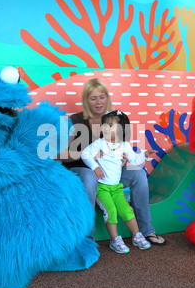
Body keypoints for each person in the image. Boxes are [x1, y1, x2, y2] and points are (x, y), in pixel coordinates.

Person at [59, 78, 166, 246]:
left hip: (109, 174)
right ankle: (86, 238)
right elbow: (58, 154)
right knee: (89, 176)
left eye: (101, 96)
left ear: (107, 98)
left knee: (138, 174)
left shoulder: (115, 120)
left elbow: (125, 149)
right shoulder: (75, 120)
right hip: (82, 168)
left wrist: (123, 158)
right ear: (86, 100)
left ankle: (146, 231)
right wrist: (87, 156)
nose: (98, 101)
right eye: (93, 98)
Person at [81, 110, 156, 253]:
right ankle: (115, 239)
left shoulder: (124, 145)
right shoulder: (100, 143)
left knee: (127, 211)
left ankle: (137, 236)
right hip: (102, 187)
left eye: (110, 126)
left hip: (116, 188)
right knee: (111, 212)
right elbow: (85, 154)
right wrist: (95, 166)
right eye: (104, 125)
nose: (105, 128)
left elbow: (134, 160)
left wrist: (145, 155)